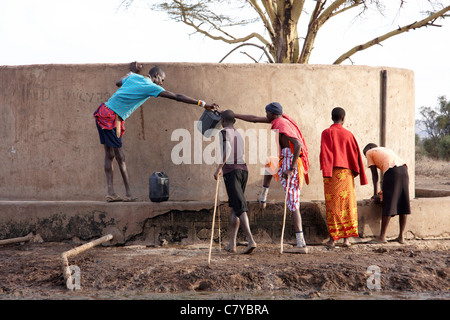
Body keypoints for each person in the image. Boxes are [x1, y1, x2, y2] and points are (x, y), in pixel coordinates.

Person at [94, 64, 218, 202]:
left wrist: (132, 72)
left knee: (109, 154)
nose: (162, 83)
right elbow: (176, 96)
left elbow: (118, 82)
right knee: (119, 156)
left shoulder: (134, 77)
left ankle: (111, 192)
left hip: (103, 111)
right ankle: (128, 194)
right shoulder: (151, 86)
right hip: (113, 116)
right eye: (162, 80)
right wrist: (202, 103)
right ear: (156, 76)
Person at [234, 102, 310, 253]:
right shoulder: (278, 120)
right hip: (284, 159)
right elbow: (254, 119)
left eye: (267, 113)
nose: (265, 116)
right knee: (269, 162)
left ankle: (301, 245)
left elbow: (298, 144)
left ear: (272, 114)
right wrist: (234, 114)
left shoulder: (281, 123)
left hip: (290, 162)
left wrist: (291, 168)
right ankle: (264, 194)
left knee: (293, 203)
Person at [319, 107, 368, 248]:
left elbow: (325, 154)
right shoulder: (348, 134)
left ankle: (333, 239)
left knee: (333, 206)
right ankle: (347, 240)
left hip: (332, 174)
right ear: (343, 118)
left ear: (331, 117)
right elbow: (355, 154)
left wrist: (326, 171)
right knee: (347, 205)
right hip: (346, 174)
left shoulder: (326, 133)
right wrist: (355, 170)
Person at [214, 110, 257, 254]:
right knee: (234, 207)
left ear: (222, 120)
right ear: (234, 121)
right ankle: (232, 243)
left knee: (239, 206)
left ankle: (250, 240)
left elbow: (228, 149)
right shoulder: (238, 133)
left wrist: (219, 168)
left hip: (231, 171)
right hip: (243, 170)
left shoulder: (224, 132)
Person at [363, 143, 411, 244]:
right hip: (404, 170)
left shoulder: (369, 152)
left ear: (369, 148)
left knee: (388, 202)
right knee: (403, 202)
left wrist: (375, 194)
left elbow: (375, 175)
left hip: (392, 172)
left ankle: (382, 237)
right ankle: (401, 237)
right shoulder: (385, 150)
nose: (366, 156)